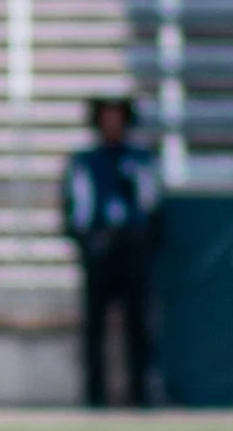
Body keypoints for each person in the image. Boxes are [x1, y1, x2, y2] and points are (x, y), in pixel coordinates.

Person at [62, 98, 160, 408]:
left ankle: (140, 393)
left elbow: (152, 206)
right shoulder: (85, 162)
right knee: (94, 326)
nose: (113, 124)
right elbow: (74, 209)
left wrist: (141, 240)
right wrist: (89, 241)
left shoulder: (141, 160)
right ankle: (95, 395)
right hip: (100, 250)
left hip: (132, 250)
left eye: (118, 117)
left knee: (138, 324)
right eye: (107, 117)